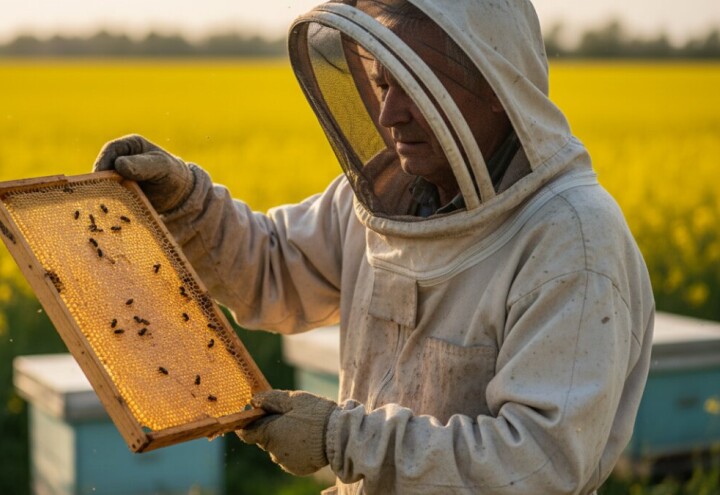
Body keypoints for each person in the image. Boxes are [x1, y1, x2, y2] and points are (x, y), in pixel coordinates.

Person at [93, 1, 654, 493]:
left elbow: (538, 466)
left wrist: (344, 438)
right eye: (384, 85)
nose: (389, 115)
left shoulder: (571, 239)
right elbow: (272, 270)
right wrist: (187, 203)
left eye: (417, 88)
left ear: (495, 85)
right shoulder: (387, 199)